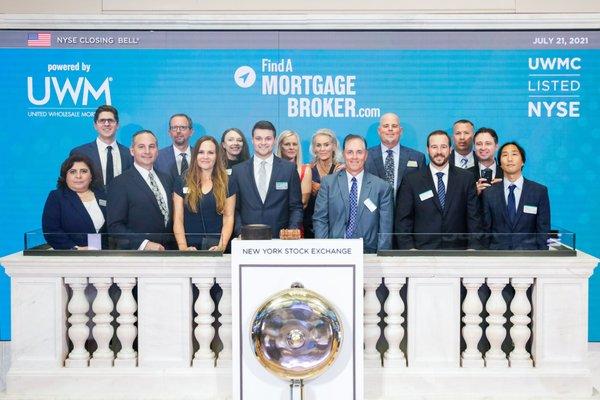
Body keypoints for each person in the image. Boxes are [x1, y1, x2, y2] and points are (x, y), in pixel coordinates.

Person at [395, 130, 480, 249]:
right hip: (421, 253)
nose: (439, 152)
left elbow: (474, 218)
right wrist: (409, 249)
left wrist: (473, 248)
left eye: (443, 147)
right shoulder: (411, 181)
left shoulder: (466, 178)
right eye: (434, 147)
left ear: (450, 149)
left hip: (458, 252)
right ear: (427, 149)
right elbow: (403, 220)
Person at [313, 134, 393, 253]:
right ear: (344, 154)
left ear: (365, 155)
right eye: (350, 152)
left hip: (368, 254)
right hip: (335, 252)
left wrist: (381, 257)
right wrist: (325, 251)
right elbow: (320, 219)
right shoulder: (328, 183)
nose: (354, 157)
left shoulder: (382, 187)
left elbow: (385, 228)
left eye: (359, 152)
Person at [229, 120, 303, 238]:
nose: (263, 142)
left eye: (268, 138)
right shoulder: (238, 171)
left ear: (274, 141)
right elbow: (235, 209)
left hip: (280, 239)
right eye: (258, 138)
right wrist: (239, 232)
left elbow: (296, 207)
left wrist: (291, 232)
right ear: (252, 140)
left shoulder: (289, 169)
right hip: (247, 239)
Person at [107, 130, 174, 250]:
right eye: (141, 147)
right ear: (132, 151)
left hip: (168, 253)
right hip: (137, 256)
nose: (147, 151)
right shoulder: (119, 183)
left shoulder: (167, 179)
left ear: (157, 150)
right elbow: (115, 226)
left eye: (151, 146)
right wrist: (144, 244)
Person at [481, 142, 550, 250]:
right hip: (497, 256)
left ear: (522, 161)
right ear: (499, 163)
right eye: (504, 155)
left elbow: (543, 229)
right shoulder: (489, 193)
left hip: (529, 256)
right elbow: (486, 230)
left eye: (514, 154)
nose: (509, 159)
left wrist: (543, 258)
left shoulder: (539, 191)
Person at [173, 136, 235, 251]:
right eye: (201, 152)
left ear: (217, 156)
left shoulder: (228, 181)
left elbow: (228, 217)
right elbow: (178, 218)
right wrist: (183, 248)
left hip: (217, 248)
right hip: (190, 248)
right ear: (195, 155)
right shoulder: (181, 181)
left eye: (210, 153)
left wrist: (221, 246)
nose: (205, 157)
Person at [42, 154, 107, 250]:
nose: (78, 176)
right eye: (72, 172)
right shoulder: (57, 197)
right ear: (65, 176)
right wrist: (76, 249)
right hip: (72, 257)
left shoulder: (103, 196)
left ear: (91, 175)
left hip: (105, 254)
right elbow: (51, 230)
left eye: (84, 171)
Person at [70, 105, 133, 191]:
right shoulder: (79, 153)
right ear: (95, 126)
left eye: (110, 120)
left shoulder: (129, 154)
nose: (106, 124)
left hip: (122, 203)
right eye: (102, 121)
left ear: (117, 125)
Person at [365, 112, 426, 198]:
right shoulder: (365, 156)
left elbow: (423, 191)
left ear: (400, 131)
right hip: (374, 210)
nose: (390, 129)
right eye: (386, 126)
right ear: (379, 131)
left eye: (394, 126)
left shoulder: (418, 158)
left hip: (407, 210)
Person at [304, 128, 343, 238]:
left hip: (334, 229)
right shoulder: (308, 170)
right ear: (314, 148)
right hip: (309, 227)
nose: (322, 149)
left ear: (334, 146)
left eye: (326, 145)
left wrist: (320, 187)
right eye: (318, 145)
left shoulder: (341, 170)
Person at [276, 130, 312, 209]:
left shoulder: (305, 170)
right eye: (287, 144)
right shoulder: (272, 169)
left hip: (296, 218)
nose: (291, 147)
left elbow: (303, 202)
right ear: (280, 147)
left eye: (295, 144)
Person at [155, 113, 194, 178]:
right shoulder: (158, 157)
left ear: (191, 132)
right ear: (169, 132)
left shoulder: (199, 155)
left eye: (183, 127)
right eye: (174, 128)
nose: (178, 131)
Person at [468, 127, 504, 196]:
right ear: (474, 147)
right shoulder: (465, 175)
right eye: (479, 144)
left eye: (488, 143)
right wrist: (474, 194)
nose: (483, 148)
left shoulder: (506, 174)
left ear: (496, 146)